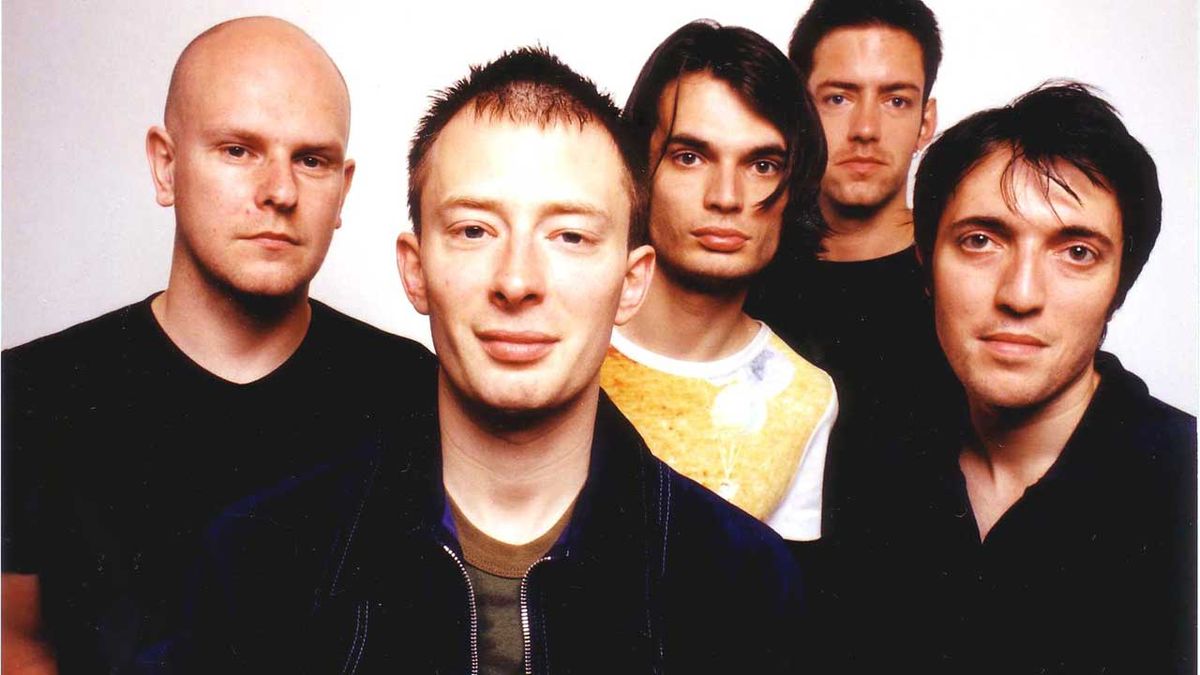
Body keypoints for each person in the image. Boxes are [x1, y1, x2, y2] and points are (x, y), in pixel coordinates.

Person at [175, 47, 805, 673]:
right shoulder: (258, 560)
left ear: (632, 281)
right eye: (475, 230)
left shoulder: (745, 584)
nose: (517, 280)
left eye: (570, 236)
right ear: (415, 270)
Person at [0, 17, 435, 673]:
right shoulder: (33, 392)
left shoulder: (412, 392)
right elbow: (16, 638)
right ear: (166, 164)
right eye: (238, 150)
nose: (279, 192)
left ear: (342, 190)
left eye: (310, 160)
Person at [859, 82, 1196, 674]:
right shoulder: (864, 463)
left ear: (1121, 284)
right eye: (981, 241)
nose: (1020, 294)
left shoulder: (1184, 483)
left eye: (1077, 252)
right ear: (926, 265)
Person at [600, 20, 835, 544]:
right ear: (640, 167)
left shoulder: (805, 397)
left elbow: (775, 605)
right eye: (690, 157)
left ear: (793, 183)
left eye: (762, 164)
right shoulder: (561, 337)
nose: (726, 196)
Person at [748, 0, 959, 543]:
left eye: (895, 99)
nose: (866, 129)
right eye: (839, 97)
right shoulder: (744, 270)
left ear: (925, 121)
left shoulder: (966, 277)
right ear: (800, 110)